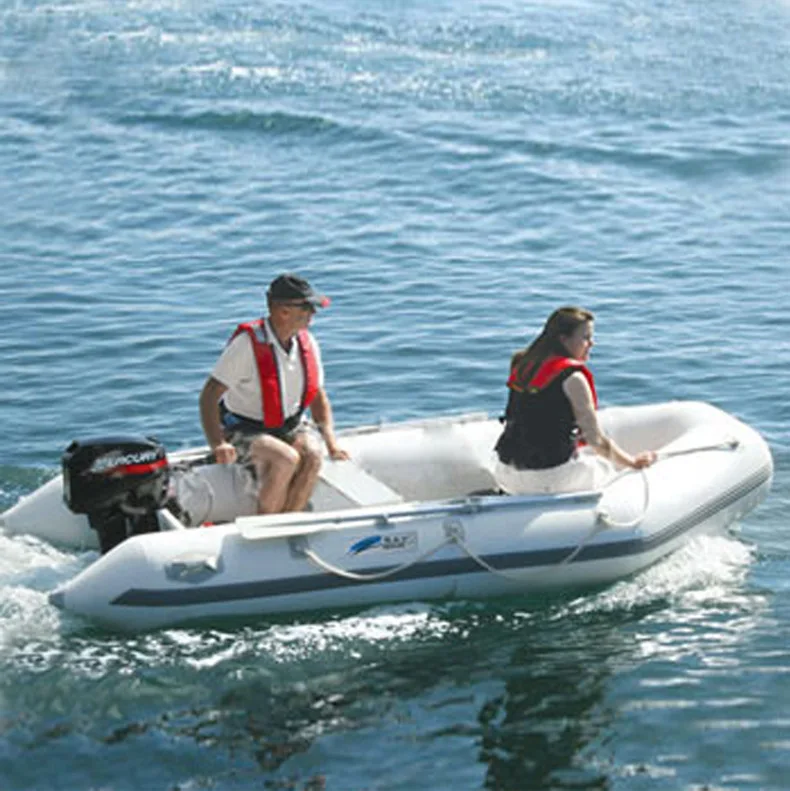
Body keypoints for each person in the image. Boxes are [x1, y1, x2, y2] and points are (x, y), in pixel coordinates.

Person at [199, 273, 349, 515]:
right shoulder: (245, 346)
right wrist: (218, 443)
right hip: (244, 429)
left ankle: (289, 521)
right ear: (282, 311)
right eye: (306, 307)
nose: (313, 313)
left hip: (289, 425)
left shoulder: (307, 343)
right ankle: (266, 523)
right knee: (285, 459)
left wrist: (331, 442)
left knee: (313, 455)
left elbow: (317, 396)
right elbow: (209, 395)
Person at [493, 306, 656, 495]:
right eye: (585, 337)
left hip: (506, 473)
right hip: (547, 479)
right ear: (564, 340)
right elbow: (596, 440)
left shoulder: (521, 364)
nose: (591, 343)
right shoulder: (573, 378)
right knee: (605, 469)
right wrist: (633, 462)